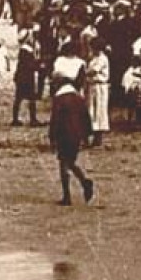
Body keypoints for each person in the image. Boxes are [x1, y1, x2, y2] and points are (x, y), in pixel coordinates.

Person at [49, 77, 96, 206]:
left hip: (64, 134)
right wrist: (87, 135)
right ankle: (84, 182)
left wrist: (52, 138)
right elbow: (86, 118)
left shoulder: (59, 100)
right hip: (76, 135)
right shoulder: (79, 99)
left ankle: (68, 195)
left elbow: (55, 120)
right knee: (69, 162)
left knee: (64, 163)